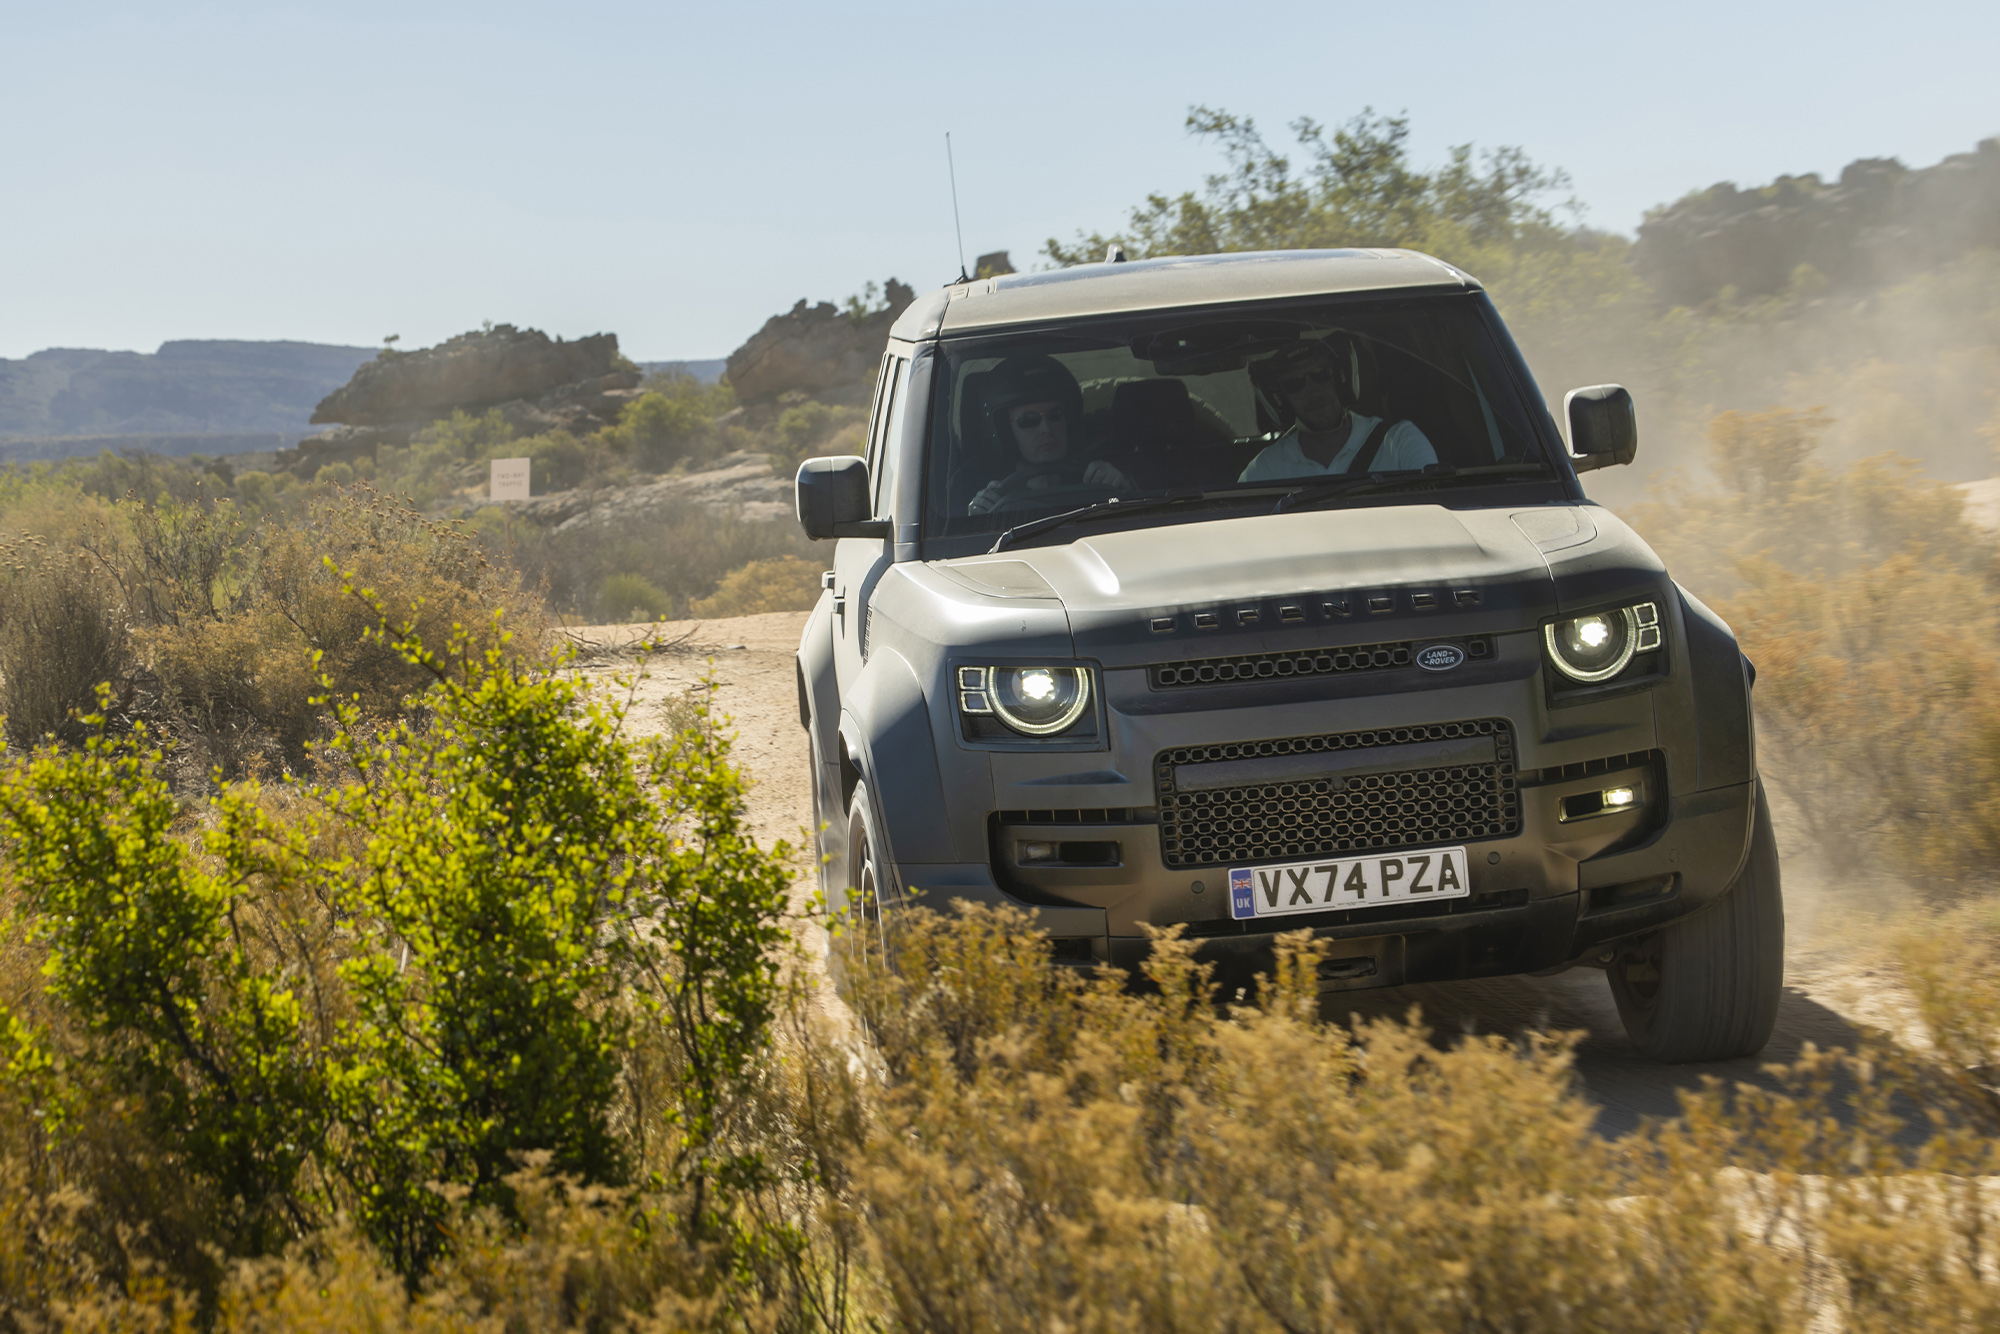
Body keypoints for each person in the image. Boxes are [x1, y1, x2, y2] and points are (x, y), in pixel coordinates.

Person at [1238, 338, 1435, 483]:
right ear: (1279, 398)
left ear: (1342, 379)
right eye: (1295, 383)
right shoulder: (1264, 471)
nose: (1313, 393)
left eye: (1321, 374)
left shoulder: (1399, 443)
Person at [964, 354, 1133, 515]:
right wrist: (980, 518)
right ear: (1005, 431)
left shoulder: (1098, 478)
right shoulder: (990, 496)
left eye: (1056, 415)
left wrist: (1126, 490)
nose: (1046, 428)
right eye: (1028, 420)